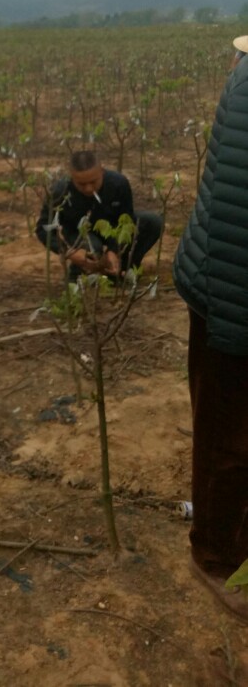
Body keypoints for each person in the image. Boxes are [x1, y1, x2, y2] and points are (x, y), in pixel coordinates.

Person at [173, 34, 248, 622]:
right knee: (227, 439)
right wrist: (233, 323)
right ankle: (214, 559)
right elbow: (232, 224)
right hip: (232, 295)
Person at [35, 149, 162, 278]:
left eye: (93, 182)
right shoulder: (60, 192)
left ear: (102, 171)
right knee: (92, 247)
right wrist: (68, 252)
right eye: (82, 184)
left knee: (153, 222)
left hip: (112, 229)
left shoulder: (118, 184)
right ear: (72, 177)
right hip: (78, 234)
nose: (89, 188)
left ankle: (122, 267)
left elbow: (126, 221)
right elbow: (43, 229)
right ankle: (80, 276)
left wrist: (114, 250)